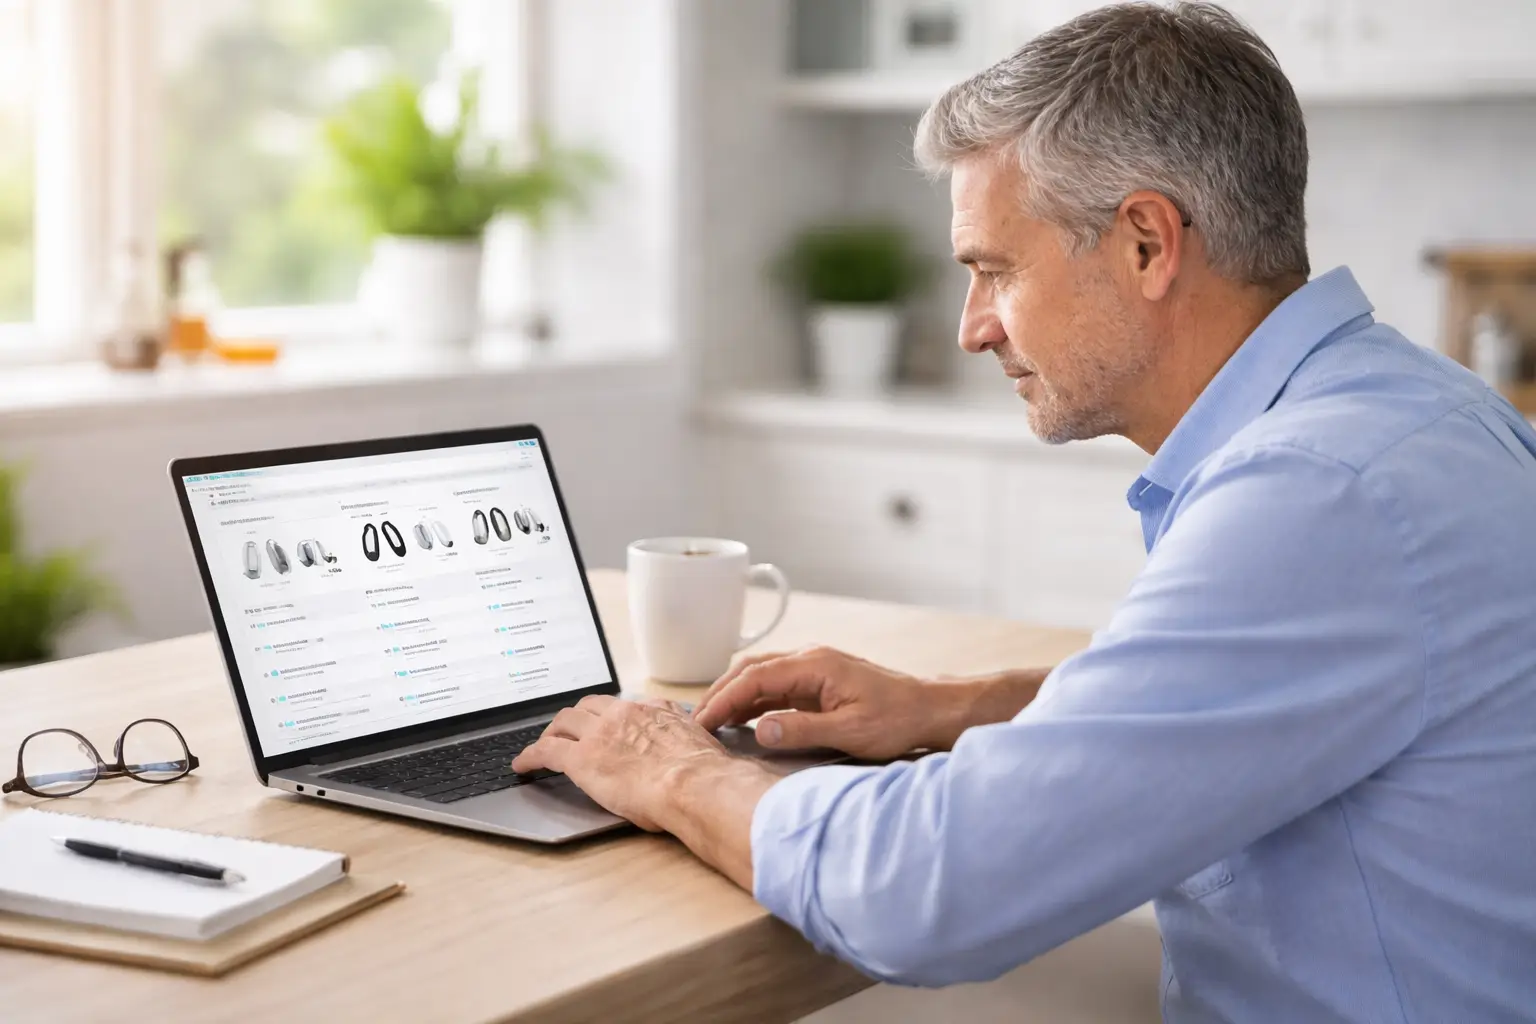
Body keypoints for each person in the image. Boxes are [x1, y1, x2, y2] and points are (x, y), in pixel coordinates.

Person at [514, 3, 1536, 1019]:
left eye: (994, 270)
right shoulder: (1414, 414)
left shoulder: (1320, 495)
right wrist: (953, 709)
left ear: (1145, 243)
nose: (973, 328)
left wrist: (673, 769)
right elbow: (1251, 698)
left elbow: (932, 891)